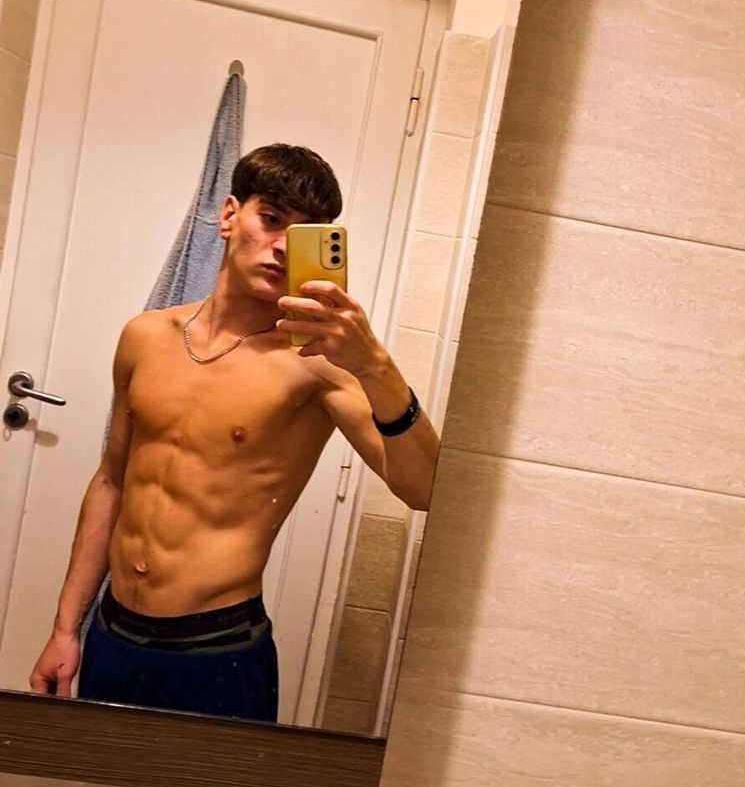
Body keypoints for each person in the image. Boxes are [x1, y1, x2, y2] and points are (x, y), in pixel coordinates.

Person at [29, 143, 440, 723]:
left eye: (303, 233)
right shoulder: (145, 337)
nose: (282, 245)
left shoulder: (317, 365)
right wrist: (65, 629)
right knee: (95, 786)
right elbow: (111, 482)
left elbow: (427, 490)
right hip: (112, 632)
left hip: (217, 651)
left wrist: (375, 366)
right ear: (228, 215)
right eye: (271, 218)